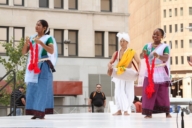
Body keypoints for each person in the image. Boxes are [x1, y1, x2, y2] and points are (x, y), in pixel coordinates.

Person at [22, 19, 57, 119]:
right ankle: (34, 111)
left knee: (42, 89)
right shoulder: (33, 38)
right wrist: (26, 43)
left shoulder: (48, 38)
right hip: (33, 66)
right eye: (36, 24)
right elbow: (24, 52)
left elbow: (51, 50)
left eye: (39, 25)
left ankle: (41, 112)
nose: (36, 26)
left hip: (43, 65)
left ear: (44, 28)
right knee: (32, 89)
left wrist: (41, 43)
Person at [139, 28, 171, 118]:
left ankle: (167, 112)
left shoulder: (165, 47)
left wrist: (159, 56)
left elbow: (166, 58)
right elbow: (141, 56)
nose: (155, 36)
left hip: (160, 70)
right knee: (149, 91)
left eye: (157, 34)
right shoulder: (147, 46)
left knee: (162, 92)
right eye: (154, 34)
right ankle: (148, 113)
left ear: (161, 36)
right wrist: (143, 54)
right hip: (149, 71)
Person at [108, 32, 140, 116]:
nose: (122, 43)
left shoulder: (131, 51)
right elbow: (111, 62)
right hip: (119, 73)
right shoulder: (116, 53)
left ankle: (126, 110)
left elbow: (139, 62)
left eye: (123, 41)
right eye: (120, 41)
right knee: (118, 92)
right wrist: (110, 65)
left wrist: (140, 71)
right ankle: (119, 110)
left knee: (128, 92)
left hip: (128, 74)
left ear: (127, 42)